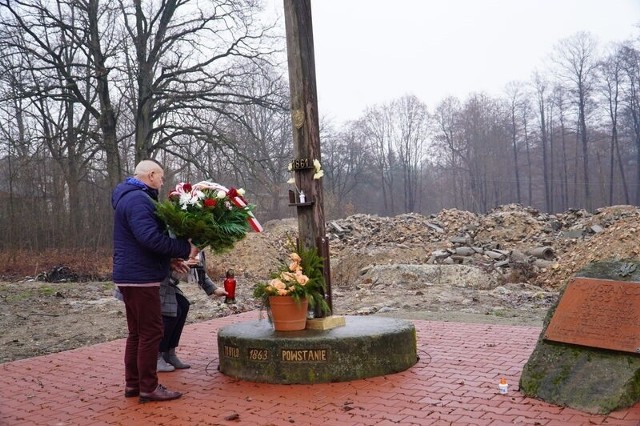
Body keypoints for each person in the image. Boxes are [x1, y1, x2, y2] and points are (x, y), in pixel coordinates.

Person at [112, 159, 198, 403]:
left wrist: (170, 260)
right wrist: (183, 247)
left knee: (137, 333)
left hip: (131, 275)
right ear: (150, 175)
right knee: (151, 332)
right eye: (160, 177)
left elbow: (140, 242)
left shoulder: (127, 197)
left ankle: (133, 384)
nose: (162, 182)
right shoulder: (139, 200)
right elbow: (149, 238)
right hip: (141, 277)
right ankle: (148, 387)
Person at [157, 251, 227, 372]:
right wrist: (177, 262)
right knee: (170, 312)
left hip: (169, 282)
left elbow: (197, 268)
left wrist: (214, 289)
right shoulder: (173, 238)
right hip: (154, 281)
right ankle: (156, 357)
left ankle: (169, 354)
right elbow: (158, 256)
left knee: (183, 305)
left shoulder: (194, 244)